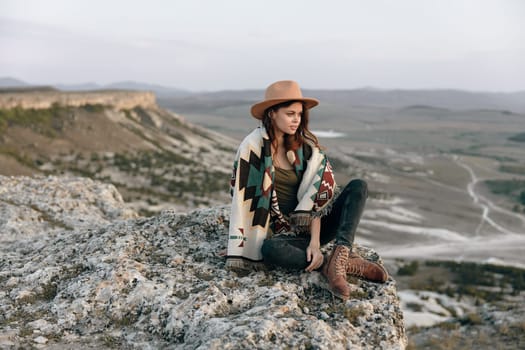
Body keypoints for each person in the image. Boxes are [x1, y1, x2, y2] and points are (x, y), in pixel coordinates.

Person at [226, 80, 388, 300]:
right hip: (283, 236)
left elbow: (316, 201)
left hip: (314, 230)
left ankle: (339, 258)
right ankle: (330, 266)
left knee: (358, 186)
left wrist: (314, 242)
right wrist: (238, 245)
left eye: (299, 114)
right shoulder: (252, 148)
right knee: (270, 251)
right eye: (290, 113)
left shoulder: (305, 149)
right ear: (272, 114)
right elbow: (243, 199)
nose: (296, 120)